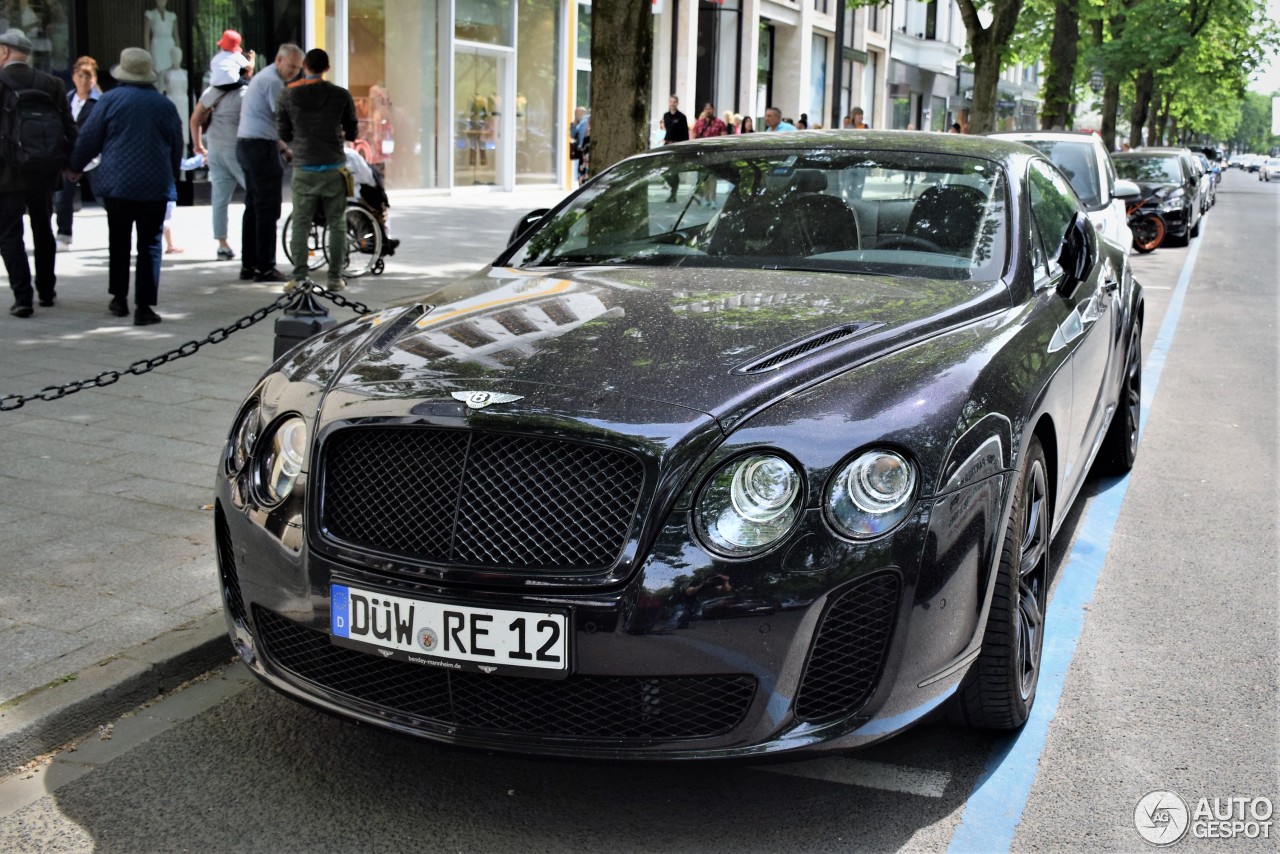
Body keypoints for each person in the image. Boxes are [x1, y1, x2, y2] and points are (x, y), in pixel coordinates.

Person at [67, 47, 182, 326]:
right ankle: (144, 306)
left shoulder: (110, 100)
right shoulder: (164, 105)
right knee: (151, 244)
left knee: (118, 241)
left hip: (117, 185)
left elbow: (89, 138)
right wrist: (172, 175)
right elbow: (176, 146)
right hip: (154, 186)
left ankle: (119, 299)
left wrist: (75, 166)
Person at [0, 28, 76, 318]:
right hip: (44, 173)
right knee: (43, 230)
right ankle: (46, 290)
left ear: (5, 52)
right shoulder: (52, 84)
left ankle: (23, 298)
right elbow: (70, 129)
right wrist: (72, 165)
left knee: (9, 235)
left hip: (6, 175)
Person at [276, 48, 357, 293]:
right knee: (337, 223)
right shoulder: (341, 95)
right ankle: (335, 277)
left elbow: (283, 133)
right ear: (327, 69)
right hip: (334, 167)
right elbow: (352, 132)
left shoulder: (287, 95)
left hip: (304, 168)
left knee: (300, 222)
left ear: (305, 67)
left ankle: (299, 276)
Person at [235, 43, 303, 283]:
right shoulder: (273, 82)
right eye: (291, 66)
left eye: (298, 68)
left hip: (248, 145)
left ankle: (249, 265)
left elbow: (269, 122)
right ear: (279, 60)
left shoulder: (263, 77)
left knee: (253, 206)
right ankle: (265, 267)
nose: (294, 71)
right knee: (267, 208)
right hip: (259, 148)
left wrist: (283, 147)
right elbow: (283, 119)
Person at [190, 49, 251, 261]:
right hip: (238, 151)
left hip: (215, 150)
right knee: (254, 195)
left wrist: (198, 146)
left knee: (219, 200)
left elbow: (195, 119)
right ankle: (253, 244)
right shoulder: (245, 94)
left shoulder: (211, 92)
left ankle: (222, 245)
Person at [54, 56, 100, 249]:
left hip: (94, 156)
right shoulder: (66, 99)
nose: (83, 80)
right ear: (73, 77)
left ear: (94, 79)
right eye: (80, 76)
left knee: (102, 192)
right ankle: (64, 234)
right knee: (63, 196)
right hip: (71, 155)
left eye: (87, 76)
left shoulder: (99, 102)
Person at [659, 95, 688, 201]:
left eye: (674, 102)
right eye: (671, 101)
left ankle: (673, 193)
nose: (672, 103)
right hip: (667, 145)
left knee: (675, 170)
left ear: (677, 103)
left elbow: (685, 133)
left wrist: (684, 148)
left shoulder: (682, 117)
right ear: (668, 103)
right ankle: (672, 187)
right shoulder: (665, 115)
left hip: (677, 146)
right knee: (662, 168)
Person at [142, 0, 177, 83]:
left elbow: (176, 35)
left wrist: (177, 51)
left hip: (169, 45)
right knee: (157, 72)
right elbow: (146, 35)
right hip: (156, 45)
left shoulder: (172, 16)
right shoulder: (150, 14)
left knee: (169, 74)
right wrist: (147, 53)